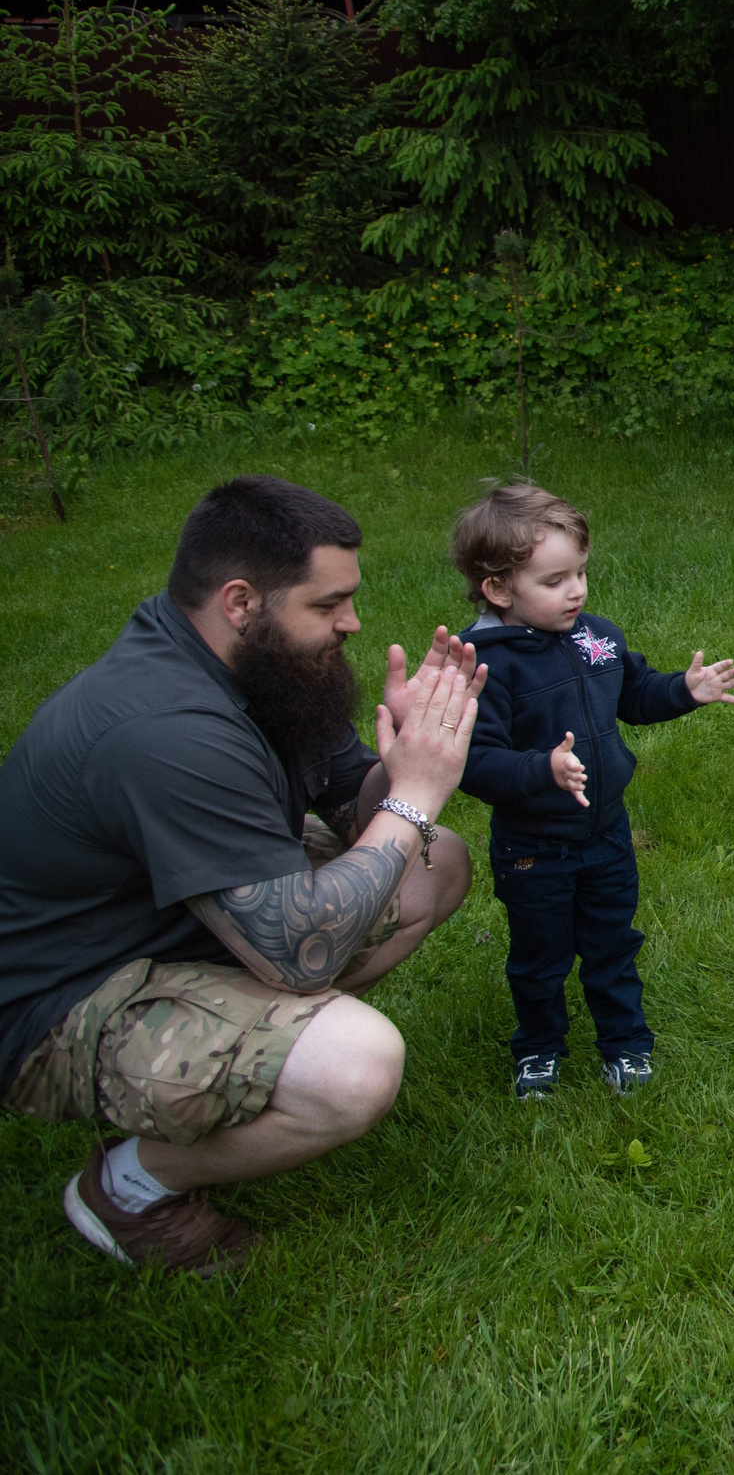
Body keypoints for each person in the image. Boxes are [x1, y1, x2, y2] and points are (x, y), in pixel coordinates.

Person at [0, 475, 481, 1276]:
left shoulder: (265, 666)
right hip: (58, 1002)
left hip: (171, 923)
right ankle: (129, 1185)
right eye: (328, 604)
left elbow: (355, 808)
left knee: (439, 861)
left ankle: (247, 1061)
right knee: (356, 1065)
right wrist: (417, 796)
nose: (352, 622)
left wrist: (399, 767)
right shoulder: (166, 727)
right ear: (240, 601)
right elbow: (302, 952)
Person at [452, 485, 734, 1100]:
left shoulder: (597, 637)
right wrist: (541, 770)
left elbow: (633, 696)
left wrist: (683, 691)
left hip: (607, 835)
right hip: (533, 849)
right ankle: (538, 1050)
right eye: (555, 580)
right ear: (498, 589)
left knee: (614, 944)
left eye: (581, 573)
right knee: (540, 958)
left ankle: (626, 1044)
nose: (577, 591)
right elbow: (474, 763)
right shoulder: (484, 665)